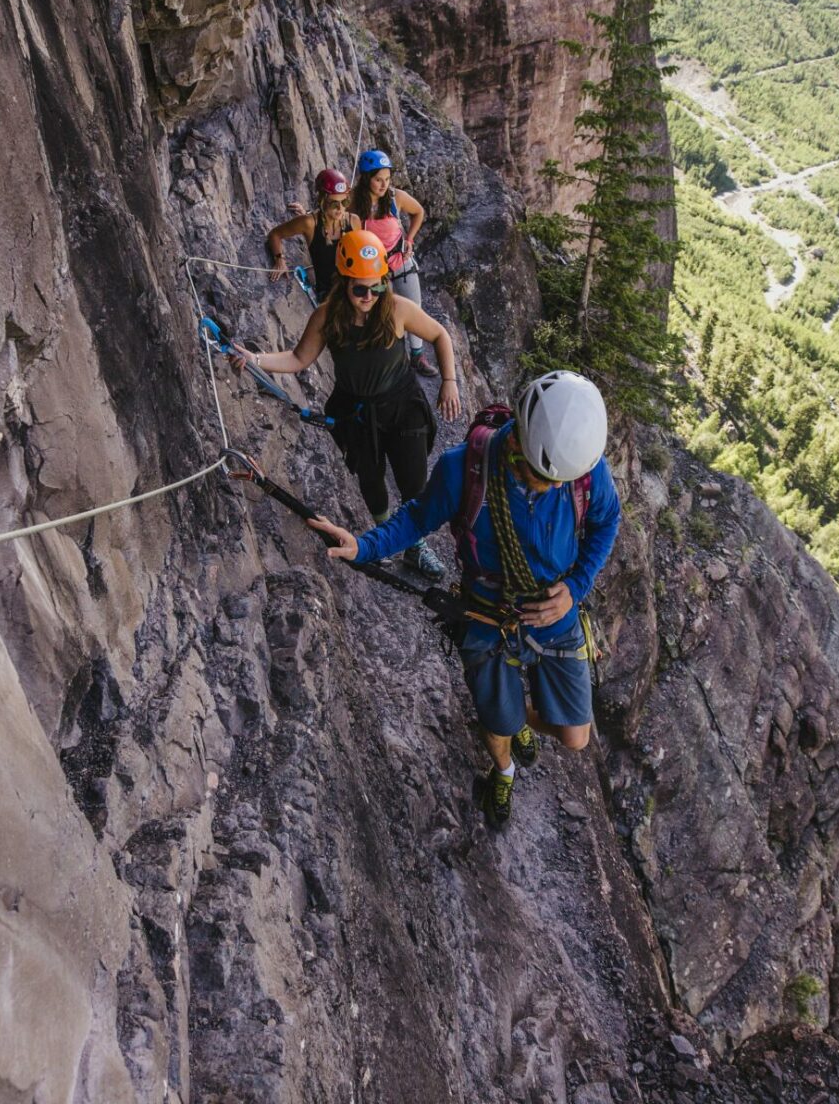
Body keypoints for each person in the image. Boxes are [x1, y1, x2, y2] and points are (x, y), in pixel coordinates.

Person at [307, 371, 621, 828]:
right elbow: (416, 519)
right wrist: (362, 546)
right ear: (518, 445)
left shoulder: (581, 469)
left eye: (561, 480)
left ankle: (518, 722)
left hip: (555, 613)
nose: (555, 488)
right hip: (488, 614)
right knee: (500, 725)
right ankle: (504, 767)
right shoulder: (465, 470)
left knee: (575, 737)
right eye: (543, 478)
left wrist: (574, 589)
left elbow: (606, 521)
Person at [231, 229, 462, 577]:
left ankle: (413, 544)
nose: (369, 295)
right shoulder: (327, 316)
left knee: (414, 482)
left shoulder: (397, 309)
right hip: (356, 411)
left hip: (402, 405)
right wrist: (255, 360)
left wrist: (449, 382)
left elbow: (439, 334)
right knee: (371, 480)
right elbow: (298, 358)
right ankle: (388, 539)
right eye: (359, 288)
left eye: (377, 286)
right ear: (344, 281)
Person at [351, 149, 435, 377]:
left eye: (387, 179)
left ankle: (417, 355)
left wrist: (409, 239)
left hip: (401, 263)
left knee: (414, 309)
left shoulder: (395, 198)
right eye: (378, 179)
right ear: (367, 178)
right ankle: (396, 361)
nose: (383, 184)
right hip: (376, 271)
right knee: (385, 316)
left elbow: (418, 212)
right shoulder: (354, 204)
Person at [266, 168, 359, 301]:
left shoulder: (353, 221)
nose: (340, 209)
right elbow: (275, 234)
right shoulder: (309, 223)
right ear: (323, 200)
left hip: (354, 289)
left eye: (344, 202)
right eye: (334, 203)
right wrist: (279, 259)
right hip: (329, 295)